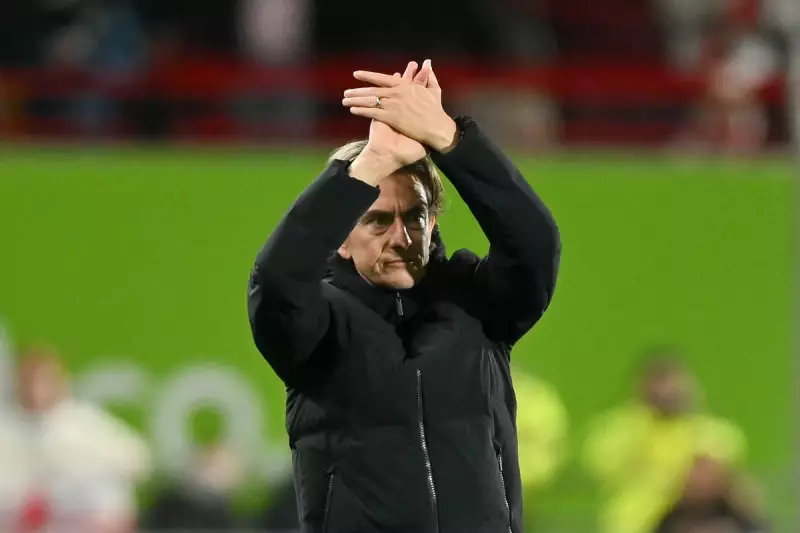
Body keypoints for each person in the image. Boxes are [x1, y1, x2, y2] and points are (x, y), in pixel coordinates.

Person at [247, 59, 560, 533]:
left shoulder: (477, 303)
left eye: (414, 217)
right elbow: (276, 282)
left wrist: (450, 138)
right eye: (377, 220)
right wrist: (370, 165)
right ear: (341, 238)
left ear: (432, 222)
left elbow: (535, 245)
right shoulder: (316, 325)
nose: (401, 238)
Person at [583, 349, 747, 533]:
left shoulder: (707, 431)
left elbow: (722, 465)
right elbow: (600, 464)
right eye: (660, 382)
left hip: (690, 521)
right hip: (636, 523)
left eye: (674, 381)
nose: (667, 390)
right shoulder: (619, 429)